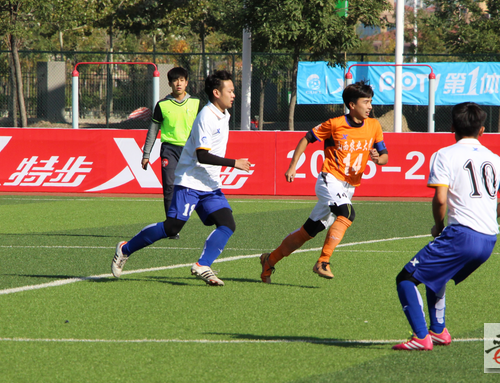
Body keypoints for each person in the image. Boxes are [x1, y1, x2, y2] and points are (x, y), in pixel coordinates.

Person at [392, 102, 500, 351]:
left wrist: (438, 226)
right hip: (488, 239)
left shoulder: (445, 155)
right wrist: (487, 216)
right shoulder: (494, 158)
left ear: (452, 127)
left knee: (406, 278)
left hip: (461, 235)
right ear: (482, 130)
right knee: (437, 275)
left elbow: (440, 199)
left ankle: (421, 337)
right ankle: (438, 331)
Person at [111, 70, 251, 286]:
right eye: (230, 91)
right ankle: (125, 248)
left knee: (227, 224)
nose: (233, 95)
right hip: (190, 182)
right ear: (216, 93)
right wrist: (234, 163)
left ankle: (203, 265)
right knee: (172, 228)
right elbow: (202, 156)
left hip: (210, 184)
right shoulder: (206, 116)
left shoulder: (224, 114)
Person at [259, 81, 388, 283]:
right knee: (347, 213)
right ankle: (323, 261)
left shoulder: (374, 125)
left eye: (371, 101)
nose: (370, 106)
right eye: (366, 102)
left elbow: (385, 156)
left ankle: (270, 260)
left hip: (349, 187)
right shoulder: (335, 124)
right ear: (352, 105)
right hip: (330, 179)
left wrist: (378, 159)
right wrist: (293, 166)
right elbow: (306, 138)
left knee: (309, 231)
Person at [142, 67, 201, 239]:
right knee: (169, 187)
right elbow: (153, 130)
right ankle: (171, 227)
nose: (178, 83)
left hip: (191, 151)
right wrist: (146, 154)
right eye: (175, 80)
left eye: (182, 80)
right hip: (169, 150)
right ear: (169, 84)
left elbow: (205, 127)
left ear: (186, 82)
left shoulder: (196, 103)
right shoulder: (162, 105)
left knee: (192, 188)